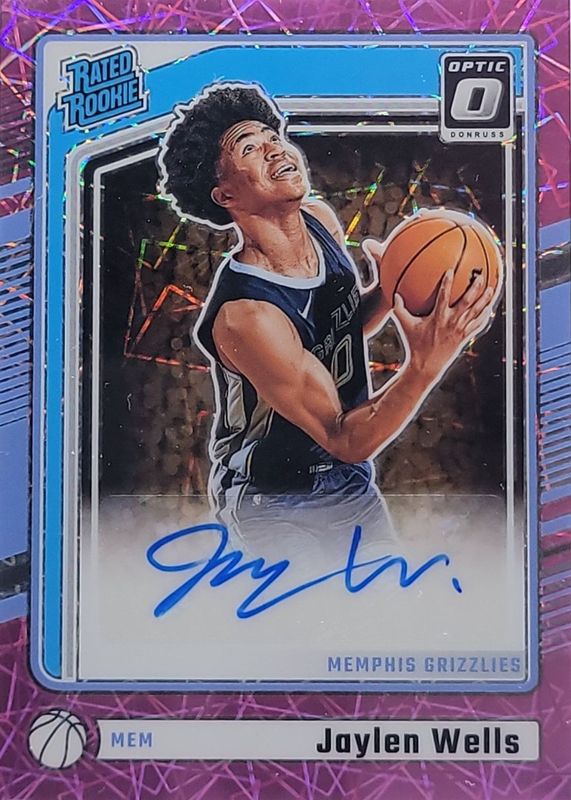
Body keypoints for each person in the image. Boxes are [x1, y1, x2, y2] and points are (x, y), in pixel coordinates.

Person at [157, 82, 494, 560]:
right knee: (314, 602)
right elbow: (344, 437)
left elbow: (338, 330)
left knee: (390, 599)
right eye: (250, 148)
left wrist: (391, 288)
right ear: (225, 194)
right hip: (272, 499)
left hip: (346, 484)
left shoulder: (319, 222)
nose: (275, 149)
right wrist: (425, 365)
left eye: (273, 136)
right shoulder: (246, 316)